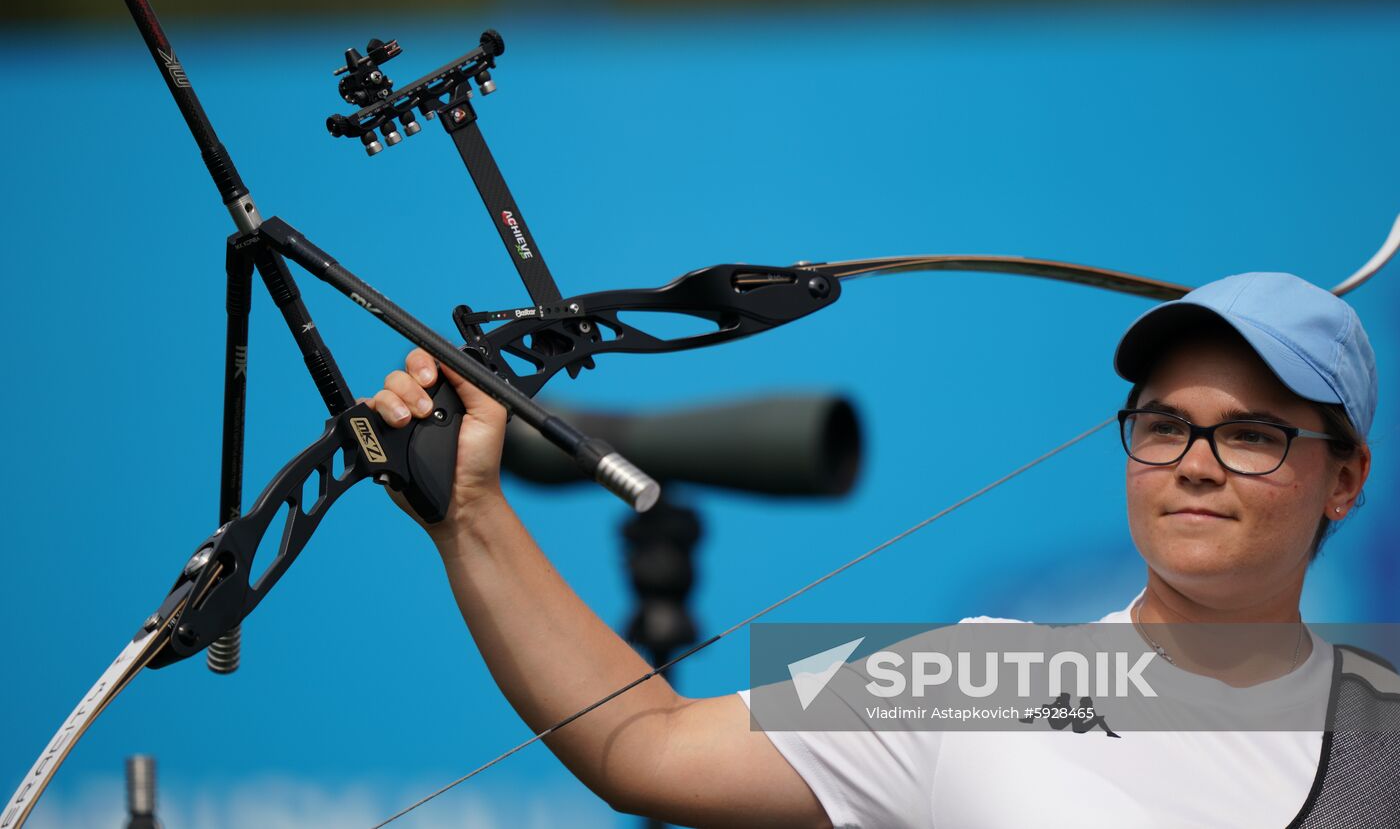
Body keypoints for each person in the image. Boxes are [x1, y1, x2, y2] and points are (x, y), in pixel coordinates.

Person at [370, 271, 1394, 828]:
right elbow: (644, 747)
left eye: (1252, 434)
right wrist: (471, 515)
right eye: (1163, 425)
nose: (1194, 464)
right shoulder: (978, 677)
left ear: (1341, 479)